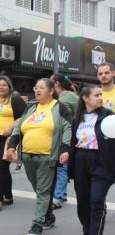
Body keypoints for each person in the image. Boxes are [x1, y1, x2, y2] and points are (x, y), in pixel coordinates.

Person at [6, 78, 72, 235]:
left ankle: (37, 224)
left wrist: (65, 149)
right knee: (40, 190)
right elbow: (19, 127)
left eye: (41, 87)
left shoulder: (59, 107)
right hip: (27, 157)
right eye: (36, 87)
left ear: (50, 91)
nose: (37, 90)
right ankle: (48, 216)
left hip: (47, 158)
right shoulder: (31, 107)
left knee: (43, 191)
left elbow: (67, 128)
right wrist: (11, 145)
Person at [67, 85, 115, 235]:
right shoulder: (77, 117)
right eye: (96, 95)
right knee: (83, 203)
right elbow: (72, 142)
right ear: (85, 98)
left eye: (101, 95)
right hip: (81, 160)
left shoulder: (109, 116)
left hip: (100, 161)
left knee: (96, 202)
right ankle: (87, 229)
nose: (100, 98)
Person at [0, 75, 26, 210]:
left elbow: (25, 116)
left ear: (9, 87)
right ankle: (8, 196)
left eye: (4, 85)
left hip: (7, 139)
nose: (1, 87)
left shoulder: (14, 99)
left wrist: (11, 127)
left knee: (1, 167)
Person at [50, 74, 79, 209]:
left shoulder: (71, 96)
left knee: (62, 167)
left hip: (66, 136)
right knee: (55, 166)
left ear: (56, 83)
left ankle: (57, 197)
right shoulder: (51, 97)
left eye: (50, 81)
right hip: (52, 137)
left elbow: (81, 111)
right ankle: (62, 193)